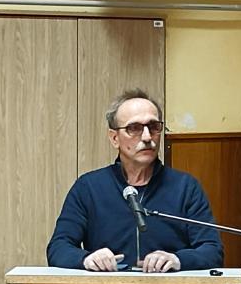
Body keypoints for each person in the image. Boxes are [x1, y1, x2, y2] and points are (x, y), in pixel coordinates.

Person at [47, 89, 223, 272]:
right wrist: (87, 259)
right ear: (114, 138)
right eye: (134, 128)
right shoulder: (88, 187)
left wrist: (178, 259)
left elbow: (212, 251)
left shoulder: (185, 187)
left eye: (153, 127)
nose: (147, 137)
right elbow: (58, 248)